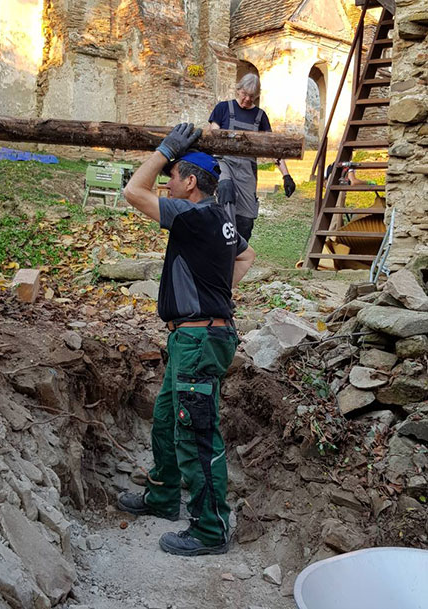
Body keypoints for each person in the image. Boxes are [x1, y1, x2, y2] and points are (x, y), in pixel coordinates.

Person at [117, 123, 256, 557]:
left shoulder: (195, 215)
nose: (166, 182)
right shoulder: (222, 221)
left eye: (173, 175)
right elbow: (247, 255)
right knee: (165, 419)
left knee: (196, 433)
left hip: (198, 341)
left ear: (190, 182)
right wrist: (217, 291)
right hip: (194, 338)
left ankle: (210, 531)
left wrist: (165, 150)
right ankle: (162, 496)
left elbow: (133, 192)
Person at [209, 73, 296, 242]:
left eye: (252, 96)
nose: (247, 99)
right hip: (224, 163)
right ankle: (223, 242)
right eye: (244, 94)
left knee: (246, 221)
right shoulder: (223, 108)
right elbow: (212, 138)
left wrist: (286, 175)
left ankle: (238, 254)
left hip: (247, 170)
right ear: (238, 90)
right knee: (226, 190)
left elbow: (272, 147)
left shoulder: (260, 116)